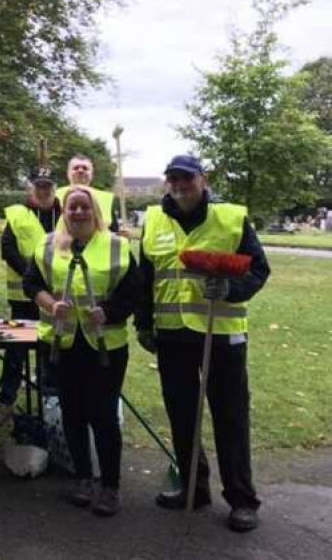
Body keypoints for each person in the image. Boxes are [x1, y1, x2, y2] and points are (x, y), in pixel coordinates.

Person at [135, 155, 270, 533]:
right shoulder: (154, 221)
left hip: (221, 335)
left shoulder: (230, 218)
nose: (179, 186)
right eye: (173, 179)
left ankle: (242, 500)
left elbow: (259, 269)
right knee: (182, 415)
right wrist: (144, 324)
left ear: (202, 179)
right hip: (173, 333)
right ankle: (193, 486)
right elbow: (145, 277)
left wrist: (230, 288)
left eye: (186, 179)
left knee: (230, 416)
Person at [23, 186, 139, 517]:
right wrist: (50, 303)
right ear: (64, 211)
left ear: (95, 212)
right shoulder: (47, 245)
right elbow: (33, 283)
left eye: (84, 207)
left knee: (103, 416)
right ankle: (83, 478)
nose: (78, 213)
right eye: (72, 207)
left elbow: (133, 292)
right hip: (62, 345)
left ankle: (110, 486)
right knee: (72, 413)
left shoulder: (117, 247)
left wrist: (110, 311)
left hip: (106, 348)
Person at [0, 166, 61, 426]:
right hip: (23, 297)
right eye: (39, 185)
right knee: (16, 352)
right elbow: (8, 250)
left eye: (48, 186)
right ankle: (6, 401)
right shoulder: (17, 214)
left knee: (50, 351)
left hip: (54, 298)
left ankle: (49, 403)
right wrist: (33, 276)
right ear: (30, 188)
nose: (43, 190)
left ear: (54, 188)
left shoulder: (65, 214)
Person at [56, 155, 121, 233]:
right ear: (68, 173)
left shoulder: (106, 198)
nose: (80, 170)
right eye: (75, 168)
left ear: (92, 174)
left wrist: (122, 234)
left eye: (85, 168)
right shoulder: (54, 196)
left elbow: (113, 231)